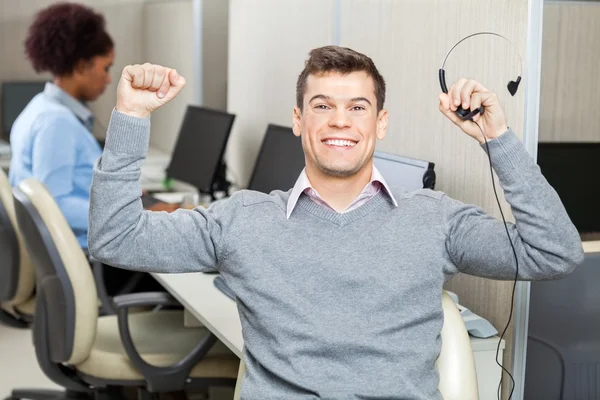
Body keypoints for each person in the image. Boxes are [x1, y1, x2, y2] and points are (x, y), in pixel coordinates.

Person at [88, 47, 584, 399]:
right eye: (322, 106)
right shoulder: (241, 220)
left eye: (357, 107)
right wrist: (131, 115)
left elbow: (555, 252)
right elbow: (115, 238)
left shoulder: (435, 219)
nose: (340, 121)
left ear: (380, 123)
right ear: (299, 120)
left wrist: (497, 138)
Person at [9, 2, 113, 248]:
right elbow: (57, 205)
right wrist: (127, 215)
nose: (109, 79)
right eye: (105, 68)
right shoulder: (56, 123)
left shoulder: (38, 107)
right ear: (80, 66)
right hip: (89, 257)